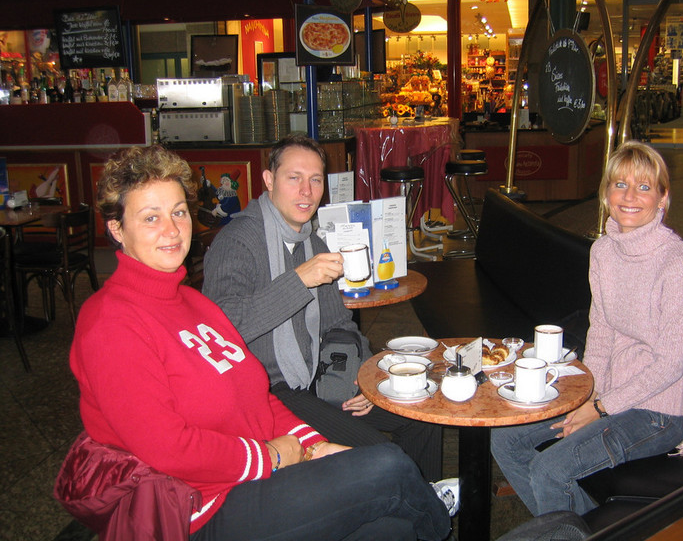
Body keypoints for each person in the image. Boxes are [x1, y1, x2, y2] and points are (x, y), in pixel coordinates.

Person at [64, 145, 455, 540]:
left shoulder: (191, 303)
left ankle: (425, 503)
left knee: (392, 527)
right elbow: (167, 448)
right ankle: (436, 509)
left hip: (259, 459)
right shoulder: (110, 323)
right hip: (198, 505)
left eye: (178, 212)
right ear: (117, 229)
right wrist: (270, 456)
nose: (171, 229)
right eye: (151, 217)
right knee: (386, 465)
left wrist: (314, 444)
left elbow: (257, 392)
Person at [203, 134, 443, 482]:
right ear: (269, 180)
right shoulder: (237, 241)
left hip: (317, 377)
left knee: (422, 418)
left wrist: (363, 377)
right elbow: (220, 329)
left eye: (315, 180)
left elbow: (339, 325)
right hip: (267, 392)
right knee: (382, 455)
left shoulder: (312, 242)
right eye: (294, 178)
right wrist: (299, 280)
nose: (306, 191)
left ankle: (432, 505)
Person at [491, 141, 683, 517]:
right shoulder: (605, 251)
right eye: (620, 184)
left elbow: (672, 364)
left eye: (643, 187)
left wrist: (601, 408)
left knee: (549, 470)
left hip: (658, 411)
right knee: (505, 439)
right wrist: (586, 394)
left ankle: (569, 529)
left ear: (662, 198)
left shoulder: (676, 262)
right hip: (608, 393)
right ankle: (584, 525)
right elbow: (603, 331)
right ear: (606, 194)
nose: (629, 196)